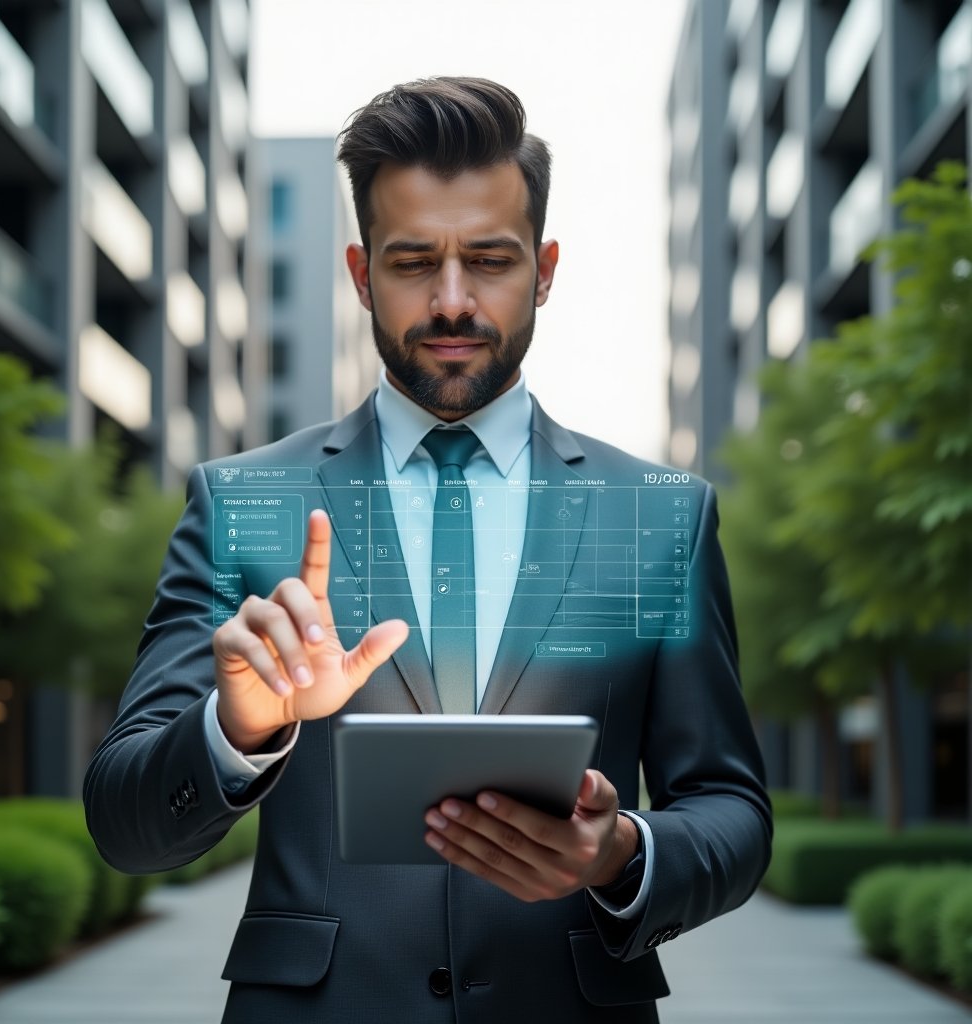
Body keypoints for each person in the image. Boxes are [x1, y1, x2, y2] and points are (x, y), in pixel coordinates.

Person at [84, 77, 771, 1024]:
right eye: (414, 264)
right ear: (363, 275)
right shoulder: (245, 501)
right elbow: (124, 823)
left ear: (546, 268)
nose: (453, 302)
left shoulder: (658, 515)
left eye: (490, 259)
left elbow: (732, 809)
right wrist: (235, 729)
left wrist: (623, 854)